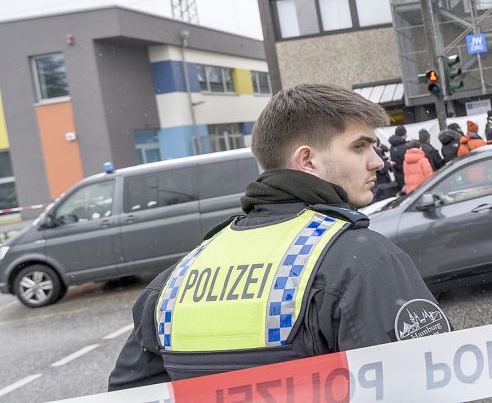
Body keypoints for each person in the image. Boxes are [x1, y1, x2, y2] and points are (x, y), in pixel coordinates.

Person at [108, 84, 449, 390]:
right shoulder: (363, 260)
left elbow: (131, 393)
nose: (377, 161)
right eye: (359, 146)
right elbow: (424, 384)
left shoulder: (176, 279)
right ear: (307, 160)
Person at [387, 126, 409, 191]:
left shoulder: (392, 146)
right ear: (404, 134)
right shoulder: (404, 146)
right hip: (405, 175)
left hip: (397, 175)